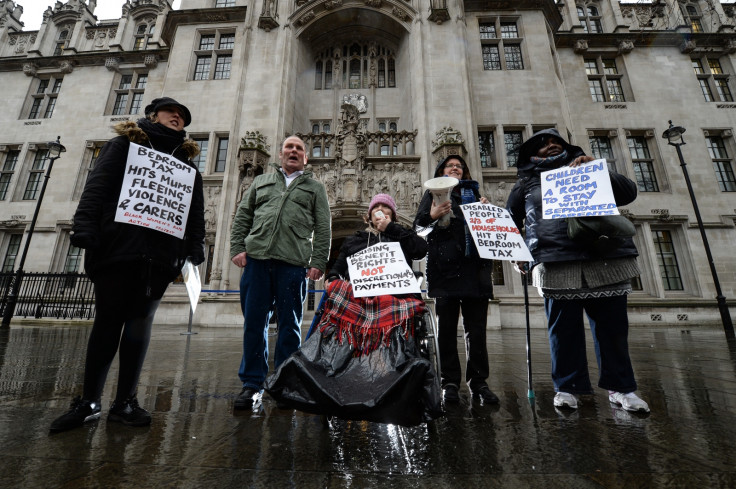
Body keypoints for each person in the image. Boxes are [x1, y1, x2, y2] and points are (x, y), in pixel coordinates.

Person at [50, 97, 205, 432]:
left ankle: (125, 402)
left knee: (139, 326)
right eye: (170, 111)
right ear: (152, 115)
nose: (177, 116)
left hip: (161, 256)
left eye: (182, 116)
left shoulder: (187, 166)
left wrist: (195, 248)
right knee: (108, 322)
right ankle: (89, 400)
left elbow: (195, 213)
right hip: (120, 246)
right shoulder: (124, 146)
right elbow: (98, 186)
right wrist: (86, 226)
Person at [265, 193, 442, 426]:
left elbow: (420, 249)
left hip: (394, 299)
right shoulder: (354, 241)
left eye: (386, 209)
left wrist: (391, 228)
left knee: (403, 309)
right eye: (376, 208)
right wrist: (333, 280)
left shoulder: (402, 237)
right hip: (359, 300)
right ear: (368, 215)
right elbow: (336, 271)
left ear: (392, 215)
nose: (381, 211)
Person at [506, 128, 649, 413]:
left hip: (603, 255)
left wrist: (600, 169)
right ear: (532, 154)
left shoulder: (590, 168)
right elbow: (510, 221)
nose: (550, 146)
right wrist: (516, 253)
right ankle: (567, 387)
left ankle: (621, 388)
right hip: (556, 259)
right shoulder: (525, 184)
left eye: (555, 142)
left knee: (613, 330)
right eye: (543, 144)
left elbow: (628, 192)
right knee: (563, 331)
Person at [230, 135, 331, 410]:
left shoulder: (314, 188)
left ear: (306, 158)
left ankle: (285, 384)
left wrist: (318, 260)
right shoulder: (261, 182)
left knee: (289, 326)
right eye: (289, 147)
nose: (294, 151)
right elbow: (243, 215)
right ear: (280, 153)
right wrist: (238, 247)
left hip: (293, 263)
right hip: (258, 260)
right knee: (254, 324)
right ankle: (252, 385)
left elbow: (323, 227)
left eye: (299, 148)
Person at [413, 155, 498, 405]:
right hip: (445, 271)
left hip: (475, 271)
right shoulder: (432, 195)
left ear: (465, 172)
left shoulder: (476, 194)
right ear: (442, 171)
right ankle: (449, 382)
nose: (455, 168)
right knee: (446, 331)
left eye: (459, 166)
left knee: (476, 331)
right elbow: (419, 228)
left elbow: (490, 232)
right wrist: (432, 216)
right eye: (450, 166)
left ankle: (479, 382)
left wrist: (486, 211)